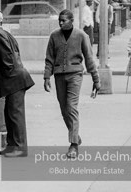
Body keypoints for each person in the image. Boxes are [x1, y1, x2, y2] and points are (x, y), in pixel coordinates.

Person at [44, 9, 100, 158]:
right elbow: (49, 58)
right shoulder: (54, 36)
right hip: (59, 76)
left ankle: (73, 145)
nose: (61, 23)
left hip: (75, 74)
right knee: (64, 110)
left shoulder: (81, 35)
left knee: (71, 107)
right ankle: (75, 135)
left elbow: (89, 58)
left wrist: (96, 80)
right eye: (59, 21)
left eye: (64, 20)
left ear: (71, 20)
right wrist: (46, 77)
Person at [0, 12, 34, 157]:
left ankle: (20, 147)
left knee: (15, 114)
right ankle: (11, 145)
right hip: (15, 79)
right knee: (9, 113)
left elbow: (7, 59)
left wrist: (6, 75)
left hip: (14, 80)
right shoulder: (4, 33)